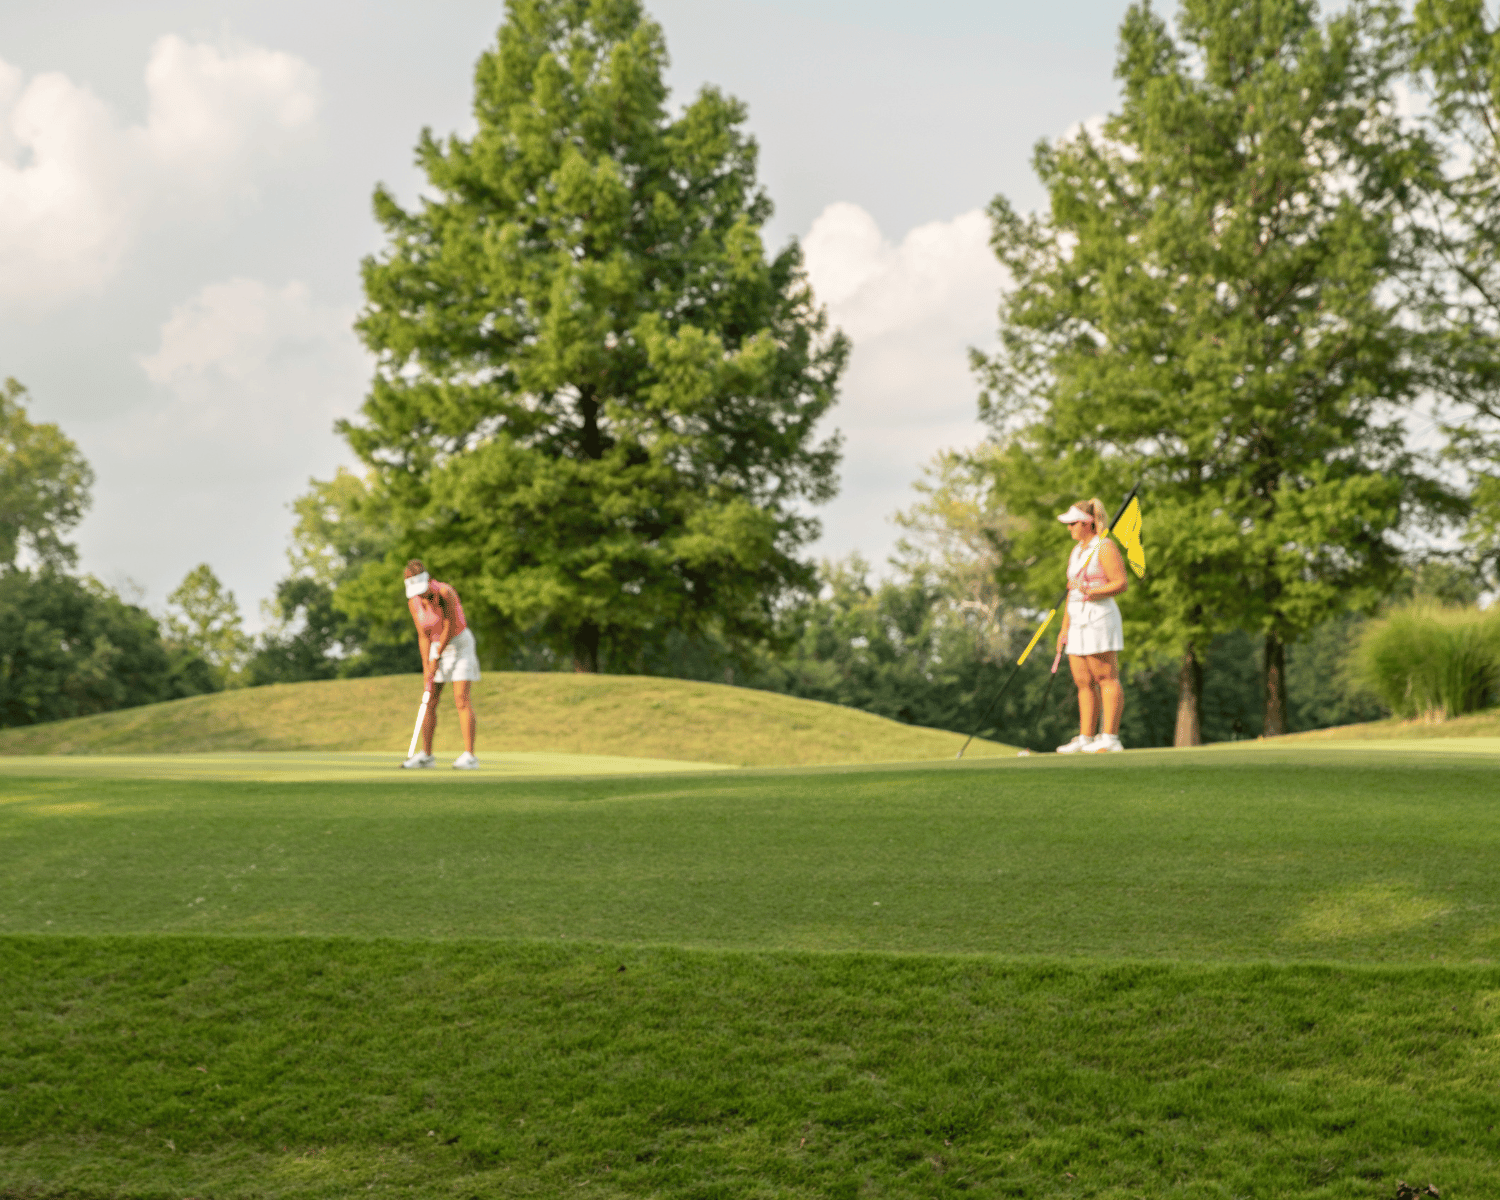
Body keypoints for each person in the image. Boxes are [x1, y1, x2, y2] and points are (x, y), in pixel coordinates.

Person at [1054, 499, 1128, 753]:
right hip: (1077, 620)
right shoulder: (1077, 552)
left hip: (1099, 617)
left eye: (1073, 523)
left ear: (1087, 524)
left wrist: (1091, 591)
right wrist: (1064, 628)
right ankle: (1086, 737)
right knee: (1083, 681)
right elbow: (1070, 592)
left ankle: (1110, 737)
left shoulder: (1104, 547)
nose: (1069, 528)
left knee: (1105, 676)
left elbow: (1120, 583)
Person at [401, 560, 480, 769]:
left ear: (428, 580)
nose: (421, 595)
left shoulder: (446, 592)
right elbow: (423, 635)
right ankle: (426, 756)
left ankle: (470, 756)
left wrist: (436, 658)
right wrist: (427, 665)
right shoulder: (413, 601)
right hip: (436, 645)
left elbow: (450, 626)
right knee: (429, 700)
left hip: (459, 644)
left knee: (461, 698)